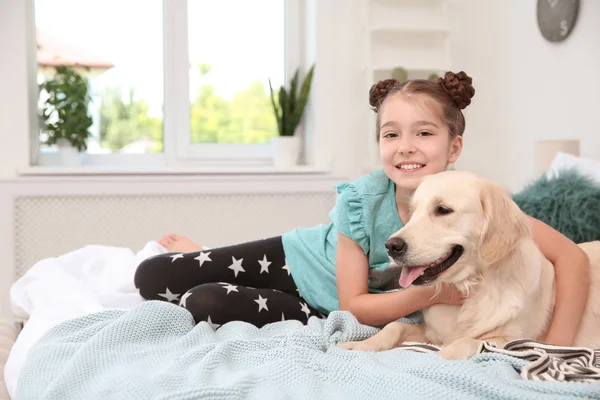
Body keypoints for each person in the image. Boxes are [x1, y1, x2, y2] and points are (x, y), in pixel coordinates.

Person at [134, 71, 590, 346]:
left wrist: (558, 345)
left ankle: (244, 290)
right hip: (299, 261)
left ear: (455, 146)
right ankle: (210, 252)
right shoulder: (364, 198)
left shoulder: (472, 204)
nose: (405, 147)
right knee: (151, 275)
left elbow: (570, 256)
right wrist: (433, 295)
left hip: (323, 312)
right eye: (391, 134)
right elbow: (354, 296)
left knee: (202, 302)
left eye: (424, 133)